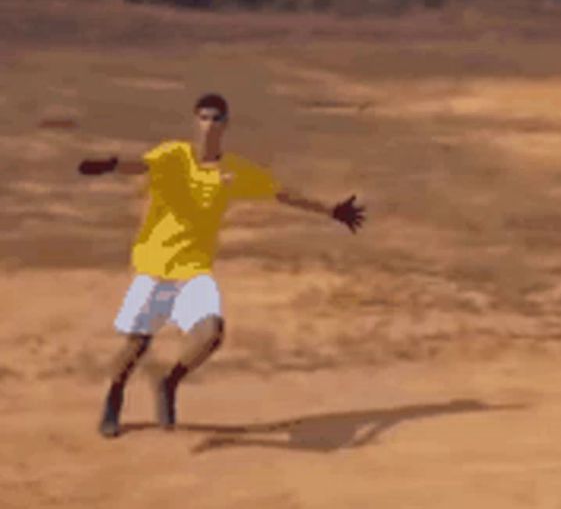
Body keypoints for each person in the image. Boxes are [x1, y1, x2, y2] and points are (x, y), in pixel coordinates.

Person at [77, 93, 366, 438]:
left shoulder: (234, 171)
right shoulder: (174, 155)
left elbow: (281, 193)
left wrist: (331, 210)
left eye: (216, 119)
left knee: (211, 334)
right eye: (203, 118)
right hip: (154, 267)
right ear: (193, 121)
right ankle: (113, 400)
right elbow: (140, 164)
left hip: (194, 271)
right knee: (137, 345)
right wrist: (109, 164)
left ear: (226, 124)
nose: (209, 125)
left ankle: (169, 383)